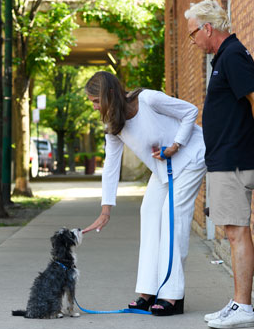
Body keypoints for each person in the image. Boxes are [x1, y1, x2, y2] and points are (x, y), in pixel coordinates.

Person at [184, 0, 254, 329]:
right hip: (227, 158)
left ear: (208, 28)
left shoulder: (233, 55)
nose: (192, 40)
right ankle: (238, 302)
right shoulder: (224, 58)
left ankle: (244, 307)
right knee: (232, 231)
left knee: (238, 233)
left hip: (234, 161)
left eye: (193, 33)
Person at [82, 71, 206, 316]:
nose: (95, 107)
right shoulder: (115, 125)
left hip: (191, 156)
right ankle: (148, 292)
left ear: (109, 94)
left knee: (173, 220)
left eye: (96, 101)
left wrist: (175, 145)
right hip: (163, 170)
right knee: (149, 213)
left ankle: (172, 296)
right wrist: (106, 210)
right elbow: (110, 166)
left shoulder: (148, 99)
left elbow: (190, 111)